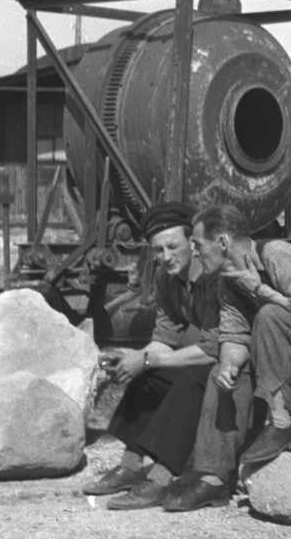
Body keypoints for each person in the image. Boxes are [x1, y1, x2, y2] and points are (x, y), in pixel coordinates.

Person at [82, 202, 222, 510]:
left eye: (173, 247)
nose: (166, 257)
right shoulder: (167, 280)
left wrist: (148, 360)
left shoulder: (214, 277)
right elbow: (163, 340)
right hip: (208, 356)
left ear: (193, 245)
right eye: (158, 250)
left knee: (192, 378)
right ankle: (130, 467)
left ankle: (160, 480)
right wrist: (132, 357)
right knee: (146, 372)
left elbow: (214, 349)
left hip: (235, 364)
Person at [191, 203, 291, 467]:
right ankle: (212, 475)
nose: (195, 254)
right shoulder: (228, 281)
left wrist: (263, 292)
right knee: (225, 368)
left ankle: (280, 423)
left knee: (269, 315)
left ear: (222, 242)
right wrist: (229, 365)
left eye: (198, 245)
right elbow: (235, 334)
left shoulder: (275, 252)